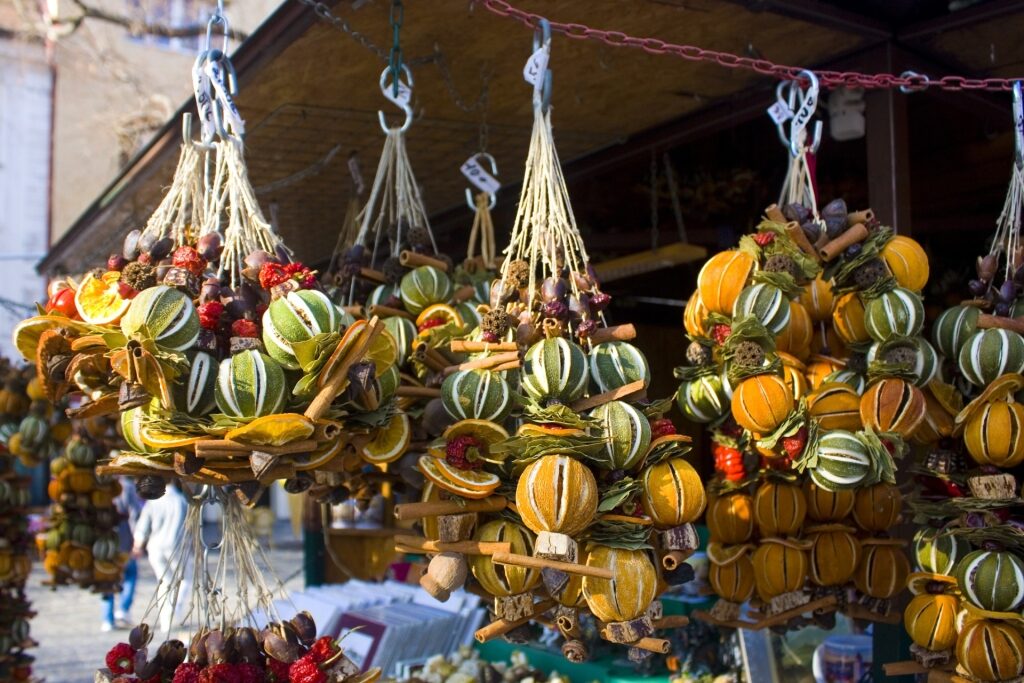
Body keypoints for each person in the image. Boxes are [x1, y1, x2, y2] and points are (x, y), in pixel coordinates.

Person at [132, 480, 188, 633]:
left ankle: (165, 619)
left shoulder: (154, 502)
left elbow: (143, 524)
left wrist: (138, 544)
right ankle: (174, 609)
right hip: (175, 545)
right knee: (185, 580)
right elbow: (189, 526)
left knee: (164, 582)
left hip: (155, 546)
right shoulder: (181, 501)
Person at [101, 476, 143, 632]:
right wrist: (136, 540)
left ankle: (107, 618)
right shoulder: (127, 486)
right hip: (124, 534)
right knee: (130, 573)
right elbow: (135, 513)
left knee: (106, 575)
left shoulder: (101, 485)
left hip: (105, 534)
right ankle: (123, 609)